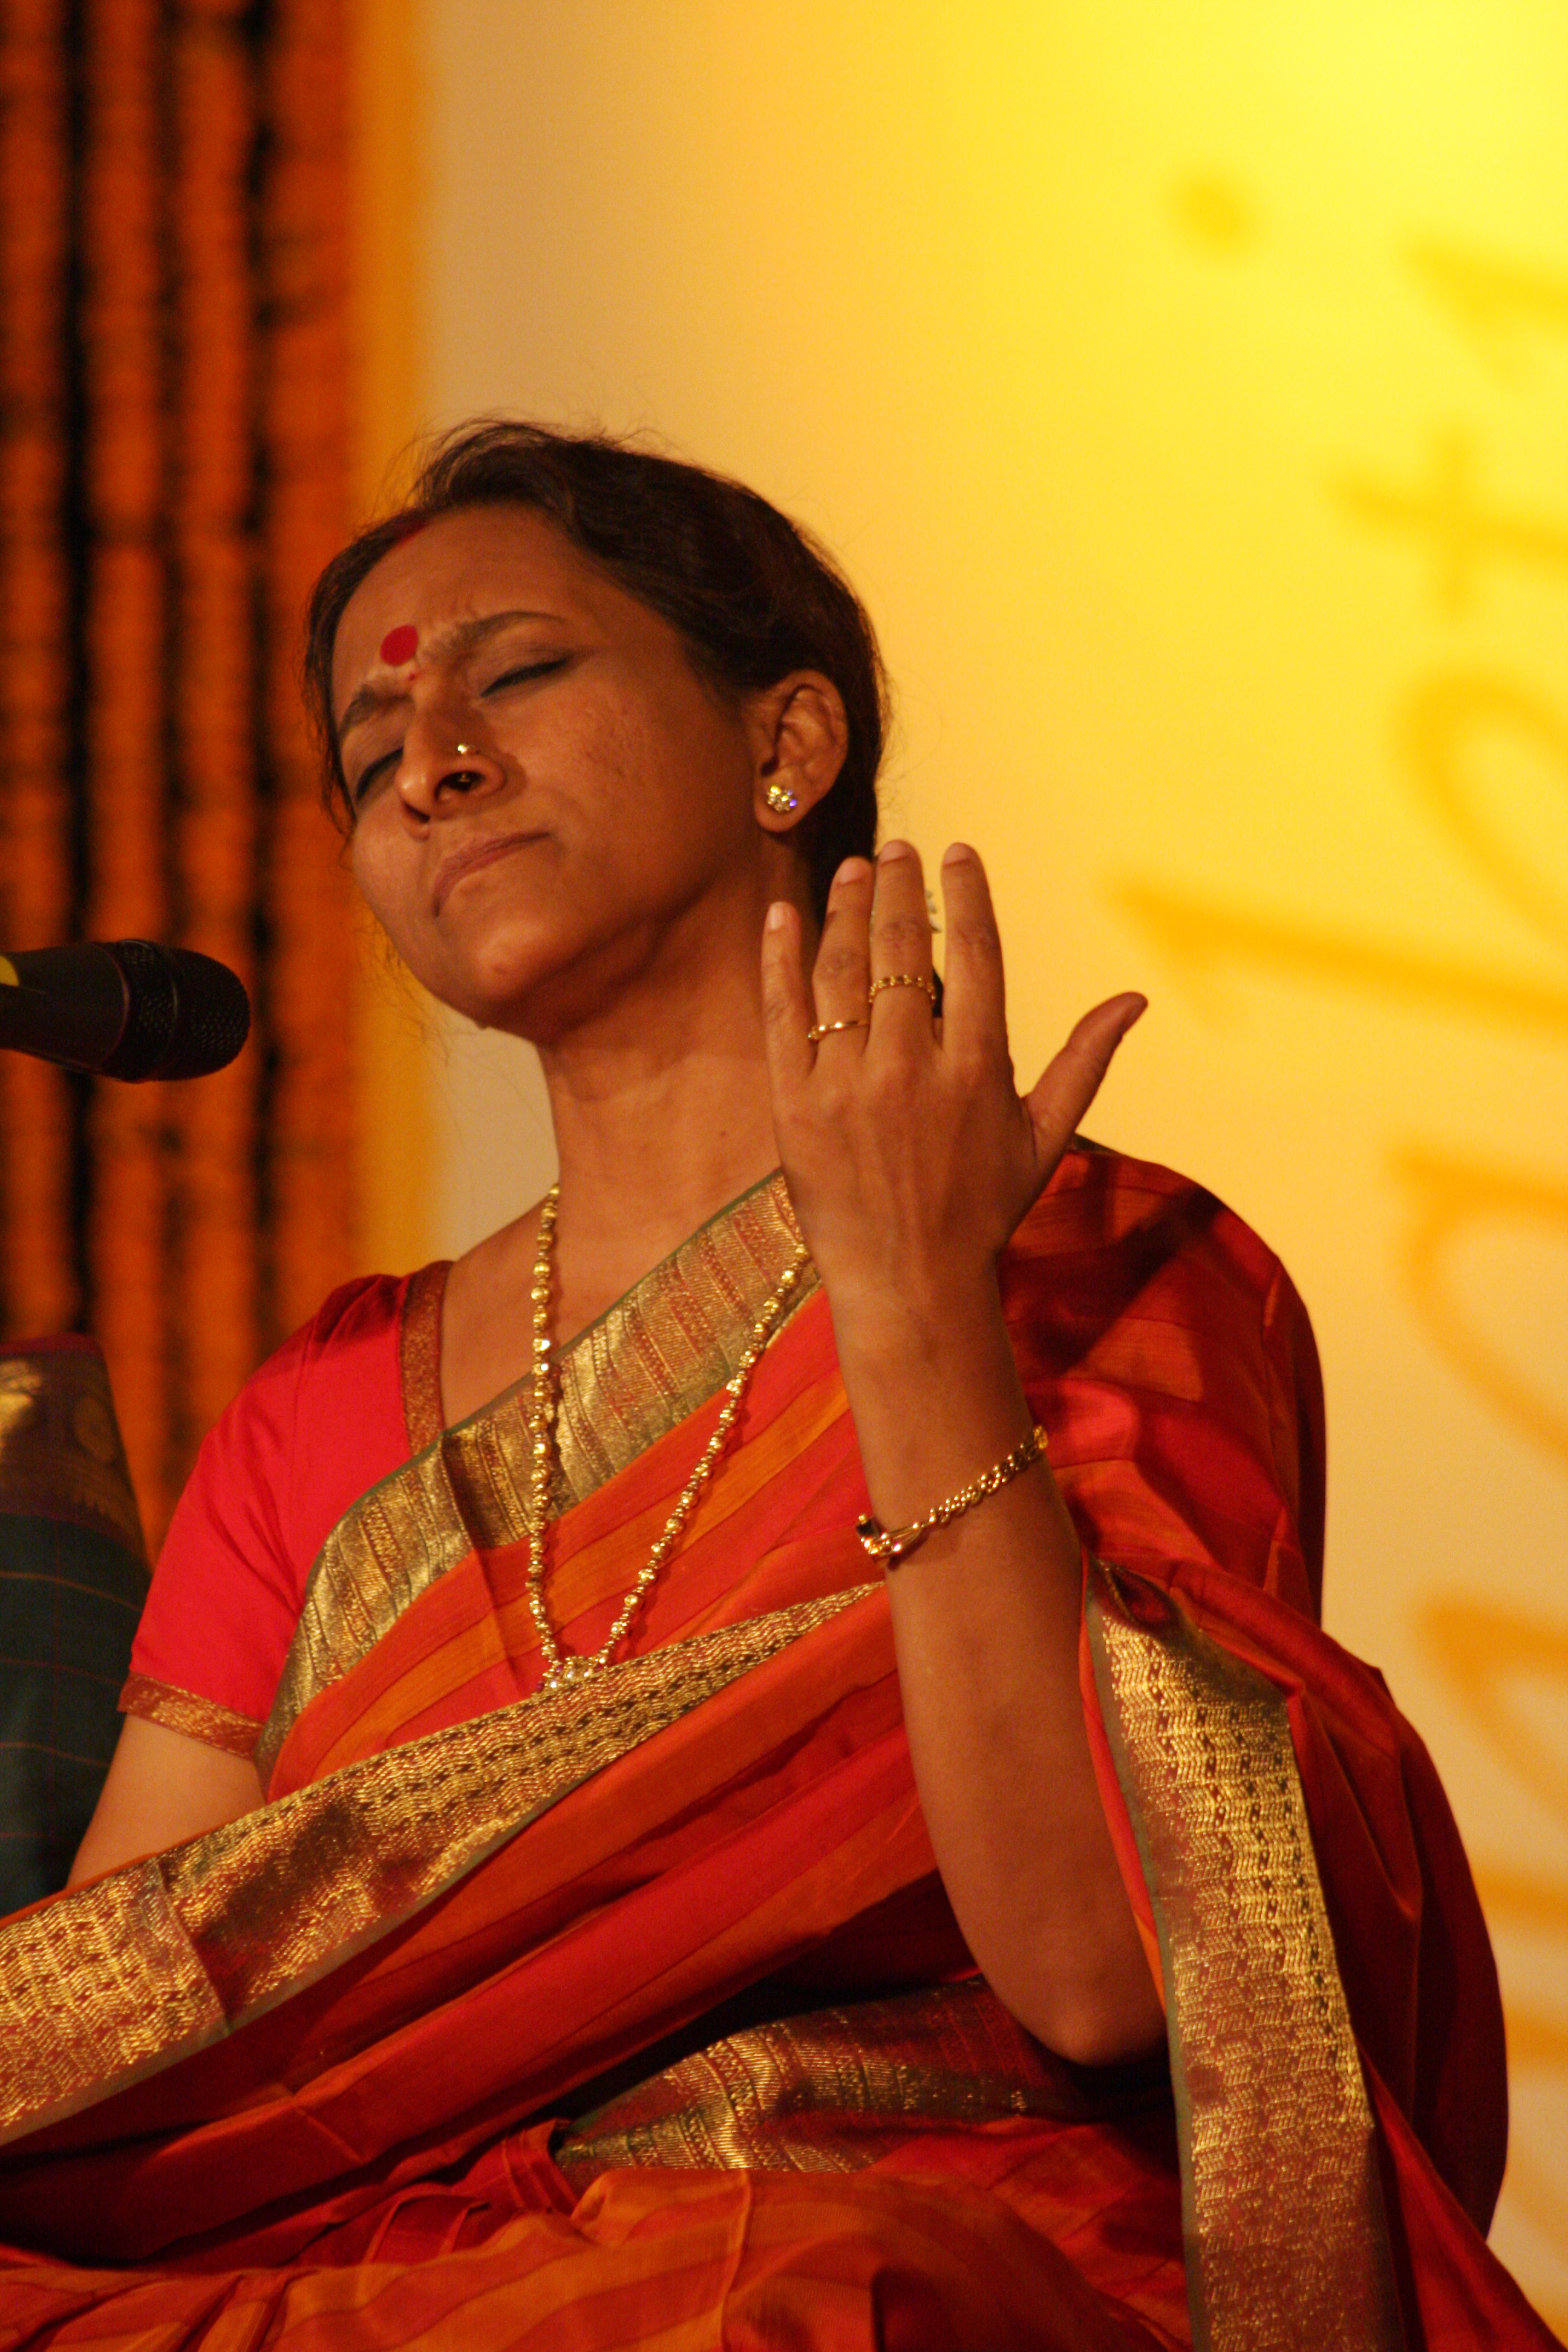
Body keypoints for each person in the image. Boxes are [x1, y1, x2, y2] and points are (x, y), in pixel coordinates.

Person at [0, 425, 1552, 2350]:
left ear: (785, 745)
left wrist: (906, 1306)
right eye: (366, 755)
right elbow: (113, 2072)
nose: (430, 762)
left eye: (521, 671)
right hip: (383, 2290)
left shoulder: (1100, 1272)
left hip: (893, 2266)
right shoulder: (313, 1412)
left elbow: (1093, 1971)